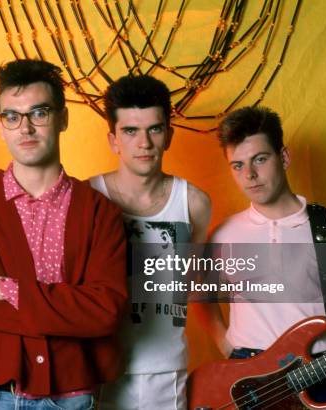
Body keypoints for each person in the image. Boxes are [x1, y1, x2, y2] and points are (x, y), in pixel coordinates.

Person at [0, 59, 127, 410]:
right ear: (1, 126)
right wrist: (65, 310)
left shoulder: (101, 212)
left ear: (63, 118)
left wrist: (1, 288)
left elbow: (105, 311)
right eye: (12, 116)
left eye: (39, 113)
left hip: (68, 396)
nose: (25, 128)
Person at [196, 106, 326, 409]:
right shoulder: (223, 235)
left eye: (260, 159)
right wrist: (226, 344)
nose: (250, 175)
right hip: (247, 382)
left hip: (319, 376)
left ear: (284, 157)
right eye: (237, 165)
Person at [89, 75, 211, 410]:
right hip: (97, 367)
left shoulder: (195, 203)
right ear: (113, 139)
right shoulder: (87, 198)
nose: (144, 143)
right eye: (130, 131)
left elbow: (191, 284)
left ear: (169, 135)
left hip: (167, 370)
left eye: (154, 129)